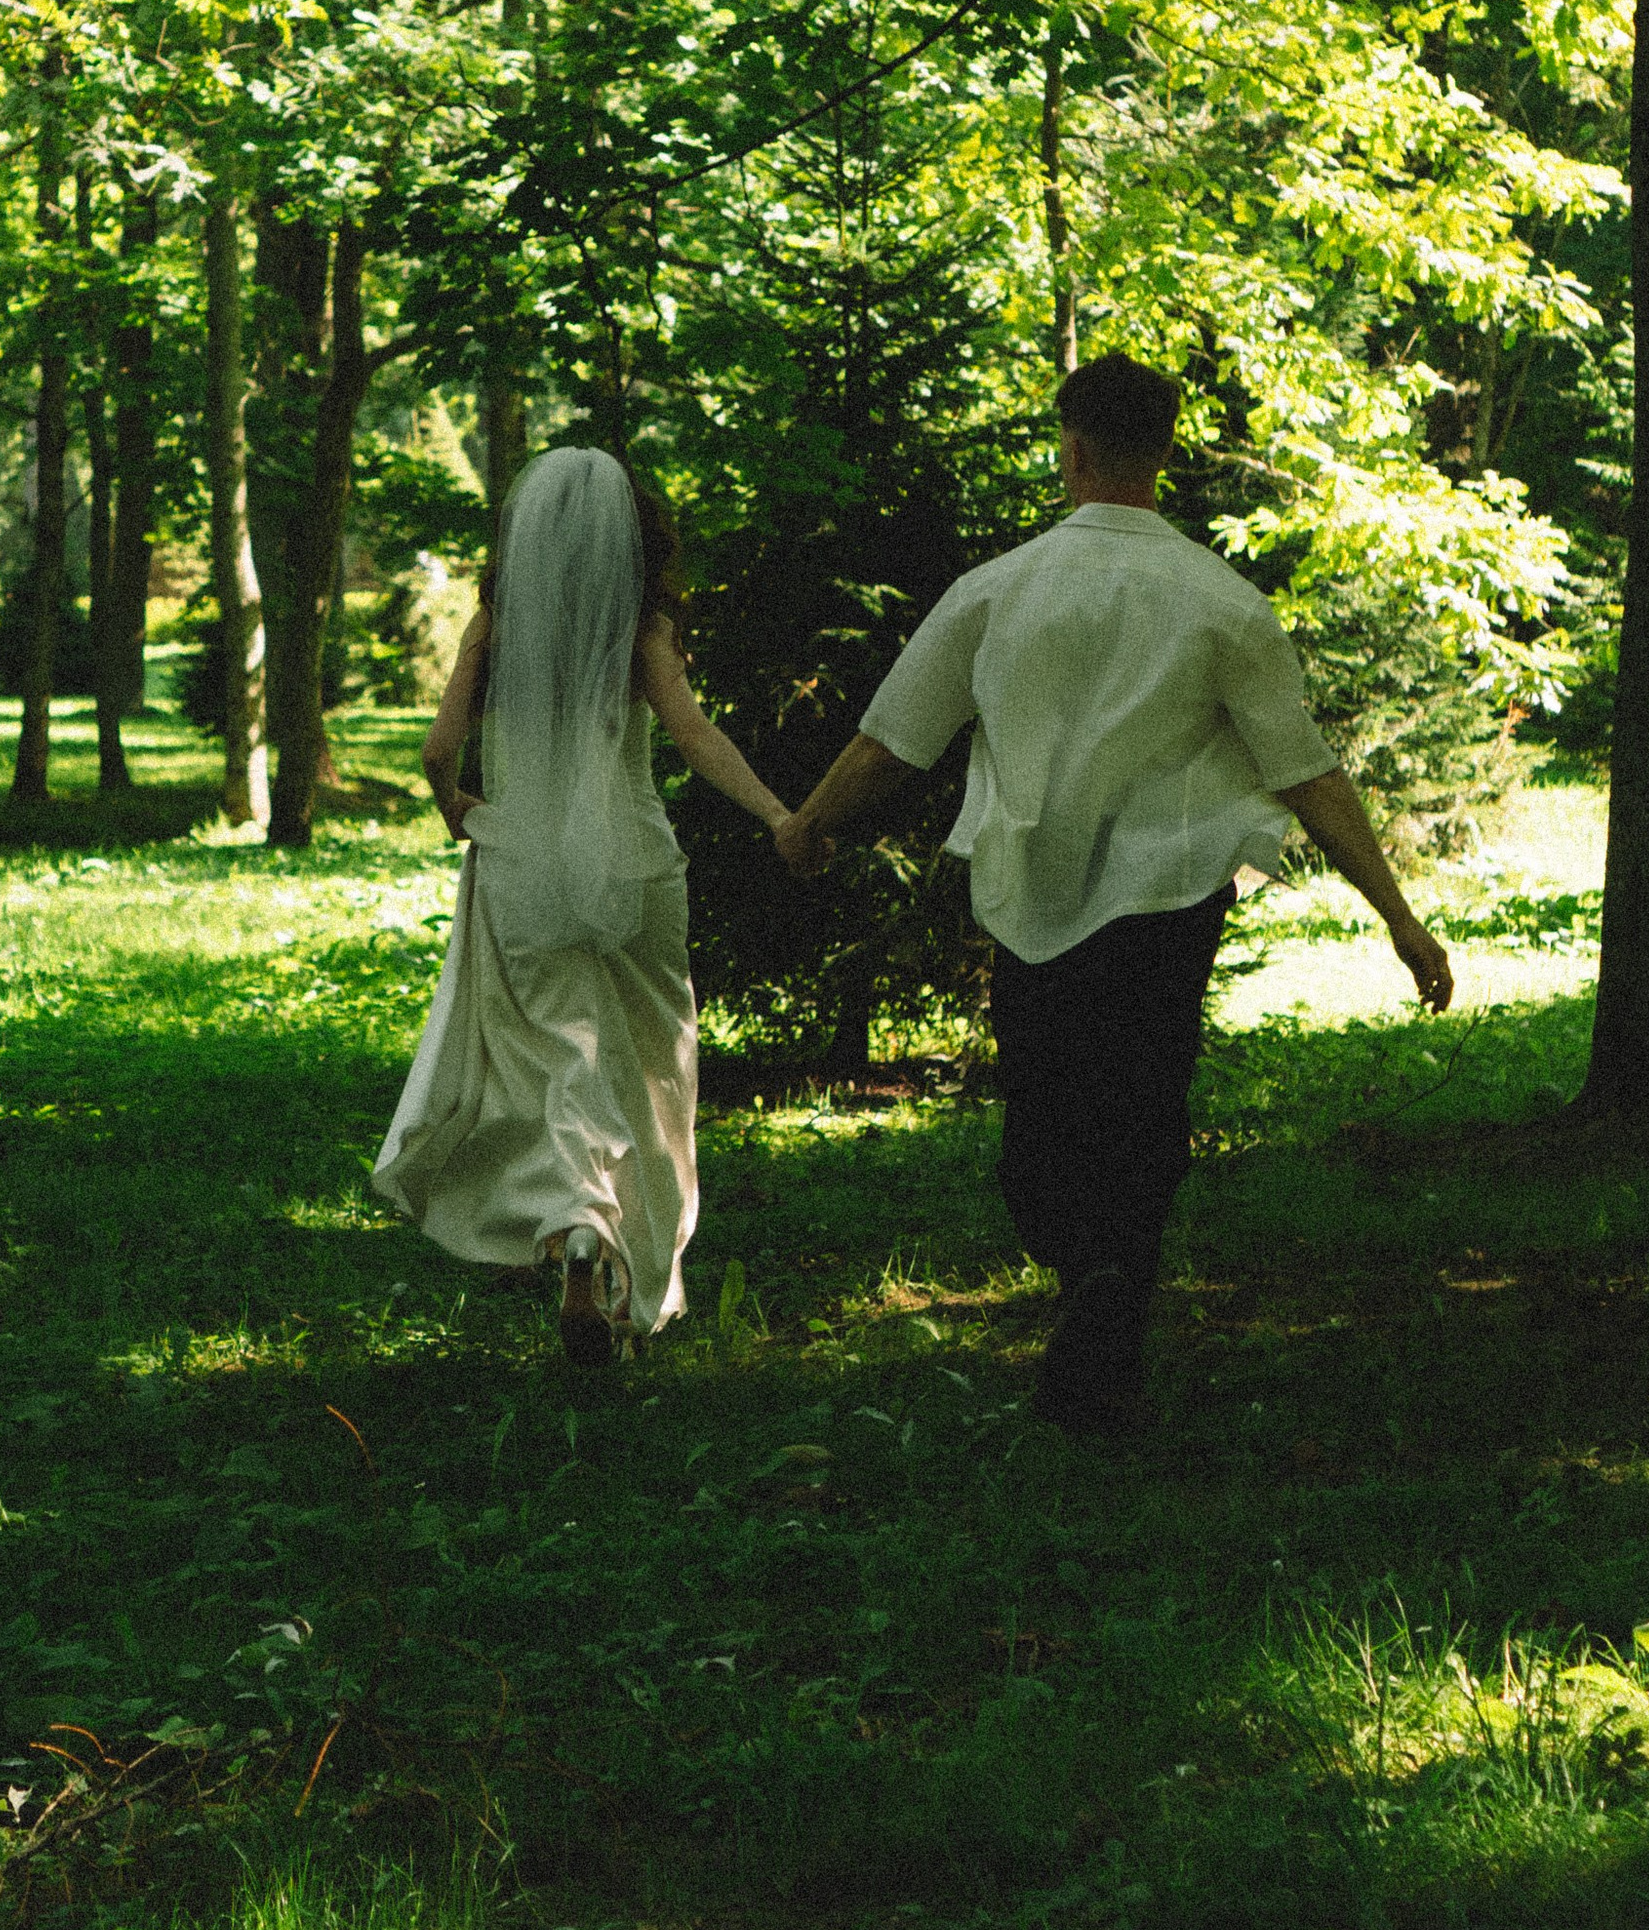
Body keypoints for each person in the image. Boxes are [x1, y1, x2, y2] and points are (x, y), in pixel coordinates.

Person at [773, 352, 1452, 1439]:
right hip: (1174, 895)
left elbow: (892, 741)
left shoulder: (993, 592)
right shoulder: (1223, 602)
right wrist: (1398, 916)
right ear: (1166, 453)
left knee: (1044, 1109)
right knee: (1143, 1104)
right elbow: (1304, 772)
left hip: (1029, 898)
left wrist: (809, 821)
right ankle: (1111, 1294)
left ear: (1072, 449)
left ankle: (1085, 1278)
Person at [374, 446, 790, 1364]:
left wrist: (455, 806)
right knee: (647, 1068)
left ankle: (575, 1228)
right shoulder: (646, 629)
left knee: (556, 1061)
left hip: (522, 860)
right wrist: (775, 812)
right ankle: (628, 1264)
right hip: (635, 864)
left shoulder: (497, 624)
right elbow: (693, 736)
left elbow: (440, 746)